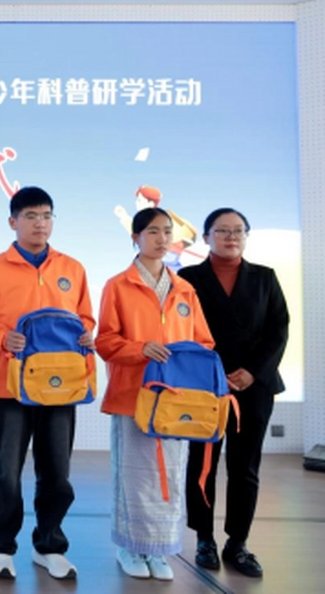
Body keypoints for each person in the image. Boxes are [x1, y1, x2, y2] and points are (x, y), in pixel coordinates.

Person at [0, 186, 95, 581]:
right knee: (5, 473)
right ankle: (1, 547)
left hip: (62, 385)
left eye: (47, 216)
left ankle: (49, 545)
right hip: (9, 387)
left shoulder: (72, 268)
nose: (41, 224)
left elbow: (85, 318)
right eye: (32, 216)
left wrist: (87, 334)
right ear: (13, 221)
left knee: (56, 472)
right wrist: (3, 337)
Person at [96, 207, 215, 582]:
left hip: (176, 402)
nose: (162, 238)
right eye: (152, 231)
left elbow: (204, 341)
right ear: (135, 238)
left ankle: (160, 550)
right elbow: (105, 341)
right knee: (133, 476)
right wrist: (140, 349)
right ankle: (129, 547)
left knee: (171, 476)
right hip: (133, 396)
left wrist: (187, 362)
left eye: (166, 231)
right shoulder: (118, 286)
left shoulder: (185, 289)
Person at [178, 208, 289, 578]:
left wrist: (253, 372)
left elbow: (279, 330)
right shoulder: (187, 278)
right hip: (204, 386)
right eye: (222, 230)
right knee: (202, 465)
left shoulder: (265, 277)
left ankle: (237, 543)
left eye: (238, 230)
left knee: (245, 467)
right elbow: (180, 331)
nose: (231, 237)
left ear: (246, 236)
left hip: (254, 387)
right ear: (206, 237)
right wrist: (210, 374)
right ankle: (204, 539)